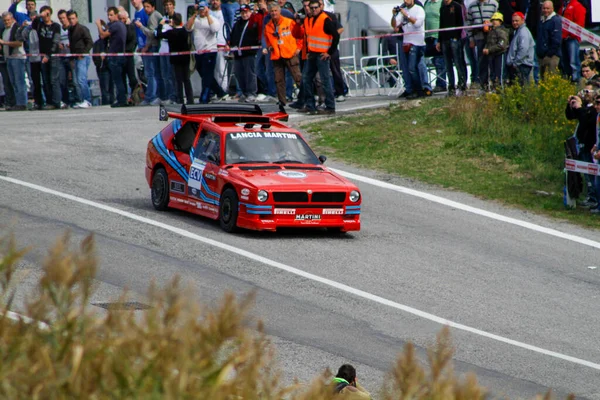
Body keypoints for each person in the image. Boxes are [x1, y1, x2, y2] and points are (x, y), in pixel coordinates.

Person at [565, 85, 599, 208]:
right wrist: (570, 105)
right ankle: (590, 196)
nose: (584, 94)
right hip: (582, 144)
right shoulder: (585, 108)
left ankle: (593, 198)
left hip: (591, 145)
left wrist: (579, 108)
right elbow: (571, 116)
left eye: (587, 91)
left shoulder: (594, 109)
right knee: (586, 173)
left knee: (592, 173)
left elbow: (587, 122)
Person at [302, 0, 338, 114]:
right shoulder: (310, 19)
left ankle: (330, 106)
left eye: (315, 7)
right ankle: (310, 105)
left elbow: (336, 35)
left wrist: (329, 52)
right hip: (312, 54)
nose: (313, 10)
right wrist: (308, 51)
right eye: (311, 8)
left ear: (320, 7)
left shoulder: (325, 19)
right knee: (306, 78)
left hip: (322, 55)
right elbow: (310, 37)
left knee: (325, 80)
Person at [263, 3, 302, 106]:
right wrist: (269, 47)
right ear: (269, 12)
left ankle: (305, 99)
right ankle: (282, 101)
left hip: (290, 54)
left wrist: (299, 48)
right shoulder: (268, 26)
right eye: (272, 11)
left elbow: (300, 35)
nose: (274, 13)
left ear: (280, 11)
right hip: (277, 55)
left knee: (298, 78)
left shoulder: (289, 22)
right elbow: (268, 41)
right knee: (278, 80)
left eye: (275, 10)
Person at [186, 1, 222, 104]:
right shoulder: (196, 20)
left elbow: (214, 29)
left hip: (210, 50)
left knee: (207, 75)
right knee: (205, 74)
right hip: (199, 51)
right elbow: (188, 28)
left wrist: (207, 15)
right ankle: (220, 92)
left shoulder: (213, 19)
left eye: (203, 9)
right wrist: (194, 14)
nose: (202, 11)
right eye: (200, 9)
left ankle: (204, 97)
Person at [32, 6, 65, 109]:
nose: (45, 16)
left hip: (53, 56)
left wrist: (48, 55)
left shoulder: (56, 26)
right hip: (42, 56)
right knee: (45, 80)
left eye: (47, 14)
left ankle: (57, 101)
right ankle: (49, 102)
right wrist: (39, 15)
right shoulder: (40, 25)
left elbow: (55, 42)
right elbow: (33, 24)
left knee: (53, 79)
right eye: (44, 14)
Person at [157, 13, 193, 105]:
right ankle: (190, 99)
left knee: (178, 80)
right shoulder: (184, 31)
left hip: (176, 59)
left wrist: (161, 24)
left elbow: (159, 34)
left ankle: (180, 99)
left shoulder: (171, 32)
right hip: (185, 58)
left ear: (173, 21)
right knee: (186, 79)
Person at [96, 7, 129, 107]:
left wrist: (98, 25)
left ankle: (121, 100)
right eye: (108, 15)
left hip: (115, 56)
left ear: (116, 15)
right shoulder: (121, 25)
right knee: (121, 79)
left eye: (111, 15)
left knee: (117, 79)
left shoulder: (116, 25)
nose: (109, 17)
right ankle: (123, 98)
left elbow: (102, 35)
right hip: (120, 55)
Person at [228, 3, 261, 102]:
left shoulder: (253, 23)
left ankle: (251, 93)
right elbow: (233, 36)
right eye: (242, 12)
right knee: (239, 74)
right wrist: (231, 47)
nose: (244, 15)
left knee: (250, 74)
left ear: (250, 12)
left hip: (249, 53)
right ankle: (244, 92)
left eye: (246, 12)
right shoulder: (237, 23)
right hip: (238, 54)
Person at [437, 0, 467, 96]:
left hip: (455, 39)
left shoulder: (457, 6)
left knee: (458, 63)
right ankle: (451, 86)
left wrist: (456, 37)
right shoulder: (442, 8)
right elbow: (441, 25)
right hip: (444, 40)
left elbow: (460, 23)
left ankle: (462, 85)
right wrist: (439, 40)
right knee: (448, 64)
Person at [467, 0, 499, 92]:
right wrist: (471, 39)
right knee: (481, 61)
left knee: (493, 61)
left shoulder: (494, 4)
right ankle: (483, 85)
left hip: (492, 38)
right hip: (479, 38)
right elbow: (469, 24)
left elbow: (498, 21)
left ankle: (494, 84)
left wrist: (490, 25)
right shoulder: (472, 6)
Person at [0, 11, 27, 111]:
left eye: (8, 20)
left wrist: (5, 43)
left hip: (17, 58)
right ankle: (15, 103)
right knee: (12, 82)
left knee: (19, 81)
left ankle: (22, 103)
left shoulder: (17, 28)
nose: (7, 22)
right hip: (9, 58)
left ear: (12, 19)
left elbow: (19, 43)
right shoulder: (4, 30)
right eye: (5, 20)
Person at [67, 10, 93, 109]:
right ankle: (82, 99)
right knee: (76, 81)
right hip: (75, 57)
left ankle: (87, 100)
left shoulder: (82, 29)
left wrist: (83, 52)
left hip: (82, 57)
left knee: (82, 79)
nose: (71, 21)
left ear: (77, 18)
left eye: (73, 18)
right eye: (70, 19)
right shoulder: (70, 29)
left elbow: (90, 42)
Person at [558, 0, 586, 83]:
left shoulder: (577, 5)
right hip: (563, 38)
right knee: (565, 61)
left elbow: (580, 24)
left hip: (572, 39)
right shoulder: (563, 5)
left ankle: (576, 81)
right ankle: (569, 81)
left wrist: (571, 35)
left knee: (573, 62)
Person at [506, 11, 534, 86]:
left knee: (522, 89)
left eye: (517, 21)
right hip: (520, 64)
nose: (515, 23)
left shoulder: (523, 32)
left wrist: (515, 63)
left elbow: (523, 49)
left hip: (522, 65)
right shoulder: (518, 31)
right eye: (513, 21)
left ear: (522, 20)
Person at [482, 12, 508, 90]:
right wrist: (485, 48)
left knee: (499, 75)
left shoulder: (502, 31)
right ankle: (494, 90)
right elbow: (488, 42)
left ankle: (501, 92)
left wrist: (489, 50)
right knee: (493, 75)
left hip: (500, 55)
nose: (494, 21)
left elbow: (502, 45)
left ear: (500, 21)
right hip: (492, 56)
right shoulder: (491, 31)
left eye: (496, 20)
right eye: (493, 20)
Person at [536, 0, 562, 79]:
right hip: (542, 56)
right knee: (543, 80)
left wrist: (549, 54)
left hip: (551, 56)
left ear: (552, 9)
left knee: (551, 80)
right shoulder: (541, 20)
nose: (545, 10)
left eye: (548, 8)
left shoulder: (555, 21)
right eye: (544, 8)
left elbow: (556, 41)